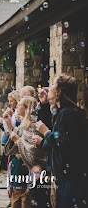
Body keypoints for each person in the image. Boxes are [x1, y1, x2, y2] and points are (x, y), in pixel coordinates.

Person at [33, 74, 88, 207]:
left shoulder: (67, 114)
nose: (49, 87)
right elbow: (54, 133)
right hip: (67, 178)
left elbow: (62, 143)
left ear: (59, 91)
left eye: (52, 84)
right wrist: (46, 105)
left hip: (71, 179)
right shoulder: (65, 112)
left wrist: (46, 132)